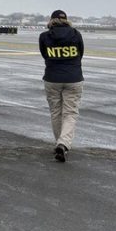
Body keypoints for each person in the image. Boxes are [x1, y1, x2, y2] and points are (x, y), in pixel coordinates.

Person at [39, 10, 84, 163]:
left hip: (52, 78)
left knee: (56, 112)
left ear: (51, 20)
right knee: (70, 113)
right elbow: (80, 54)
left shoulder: (44, 36)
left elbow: (44, 55)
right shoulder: (76, 34)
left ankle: (60, 143)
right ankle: (63, 143)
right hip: (73, 78)